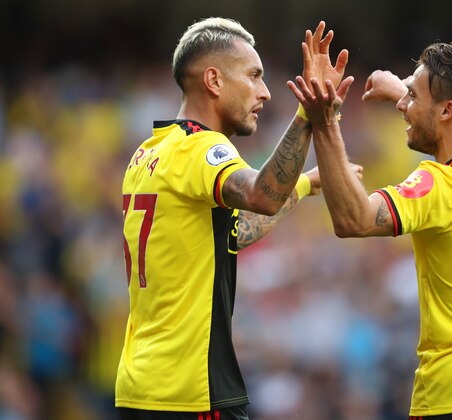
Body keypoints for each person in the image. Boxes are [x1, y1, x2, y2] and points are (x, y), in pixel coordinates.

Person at [288, 41, 452, 419]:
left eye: (413, 96)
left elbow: (354, 219)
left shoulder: (439, 187)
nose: (404, 104)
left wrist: (324, 120)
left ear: (447, 109)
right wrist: (404, 92)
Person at [115, 18, 360, 420]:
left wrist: (302, 185)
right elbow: (260, 196)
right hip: (190, 390)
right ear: (213, 80)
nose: (264, 92)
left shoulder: (148, 154)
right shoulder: (202, 149)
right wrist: (308, 114)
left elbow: (233, 233)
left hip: (139, 386)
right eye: (253, 75)